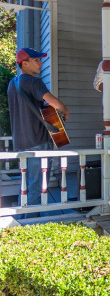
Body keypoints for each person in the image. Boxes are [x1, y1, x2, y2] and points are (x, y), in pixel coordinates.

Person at [8, 48, 70, 217]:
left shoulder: (12, 83)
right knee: (38, 185)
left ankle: (22, 219)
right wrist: (65, 110)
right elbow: (53, 102)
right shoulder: (34, 82)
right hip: (38, 142)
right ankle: (31, 223)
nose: (41, 63)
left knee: (26, 185)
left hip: (21, 142)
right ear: (24, 63)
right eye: (36, 60)